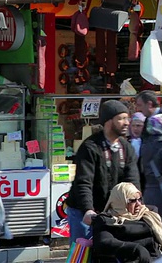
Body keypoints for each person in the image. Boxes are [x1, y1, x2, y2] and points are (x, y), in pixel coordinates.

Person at [66, 100, 140, 244]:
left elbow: (132, 181)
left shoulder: (126, 148)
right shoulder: (90, 147)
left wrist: (136, 203)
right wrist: (88, 210)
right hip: (84, 212)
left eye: (127, 118)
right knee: (83, 255)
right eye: (121, 119)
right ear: (108, 121)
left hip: (111, 213)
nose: (126, 123)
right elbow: (84, 182)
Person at [92, 182, 162, 262]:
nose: (138, 204)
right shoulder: (108, 220)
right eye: (132, 201)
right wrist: (136, 249)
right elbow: (103, 242)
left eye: (139, 199)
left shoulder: (148, 214)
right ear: (120, 201)